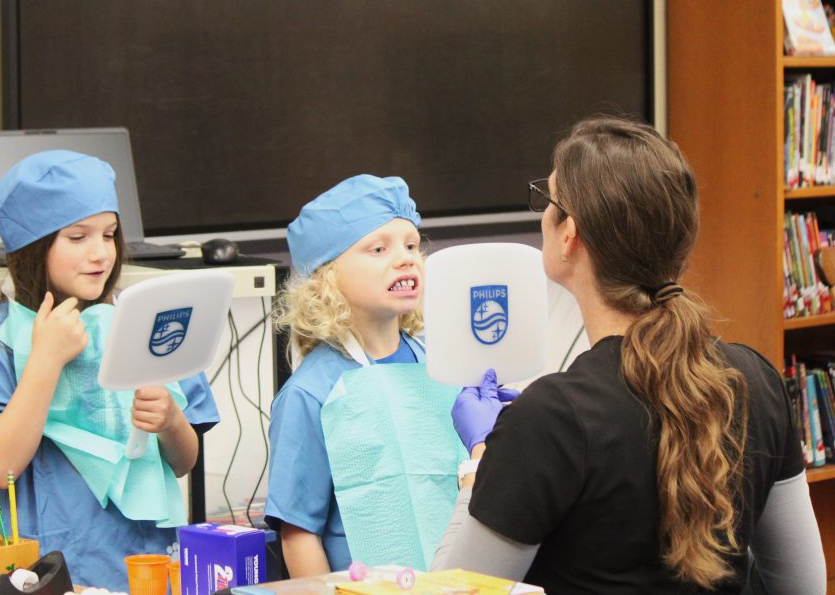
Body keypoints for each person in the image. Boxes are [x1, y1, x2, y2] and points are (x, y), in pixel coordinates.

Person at [432, 117, 826, 594]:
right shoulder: (756, 381)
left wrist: (482, 461)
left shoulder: (551, 420)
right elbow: (803, 585)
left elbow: (455, 591)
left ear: (569, 234)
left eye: (547, 199)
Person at [0, 151, 219, 591]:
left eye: (109, 235)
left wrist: (170, 421)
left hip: (147, 556)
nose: (100, 253)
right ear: (34, 249)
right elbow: (0, 469)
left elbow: (185, 461)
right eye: (77, 237)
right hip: (51, 562)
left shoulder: (147, 321)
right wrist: (45, 361)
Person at [266, 174, 497, 577]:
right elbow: (298, 532)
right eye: (378, 248)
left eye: (411, 245)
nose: (407, 258)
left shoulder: (445, 367)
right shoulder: (312, 392)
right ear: (326, 279)